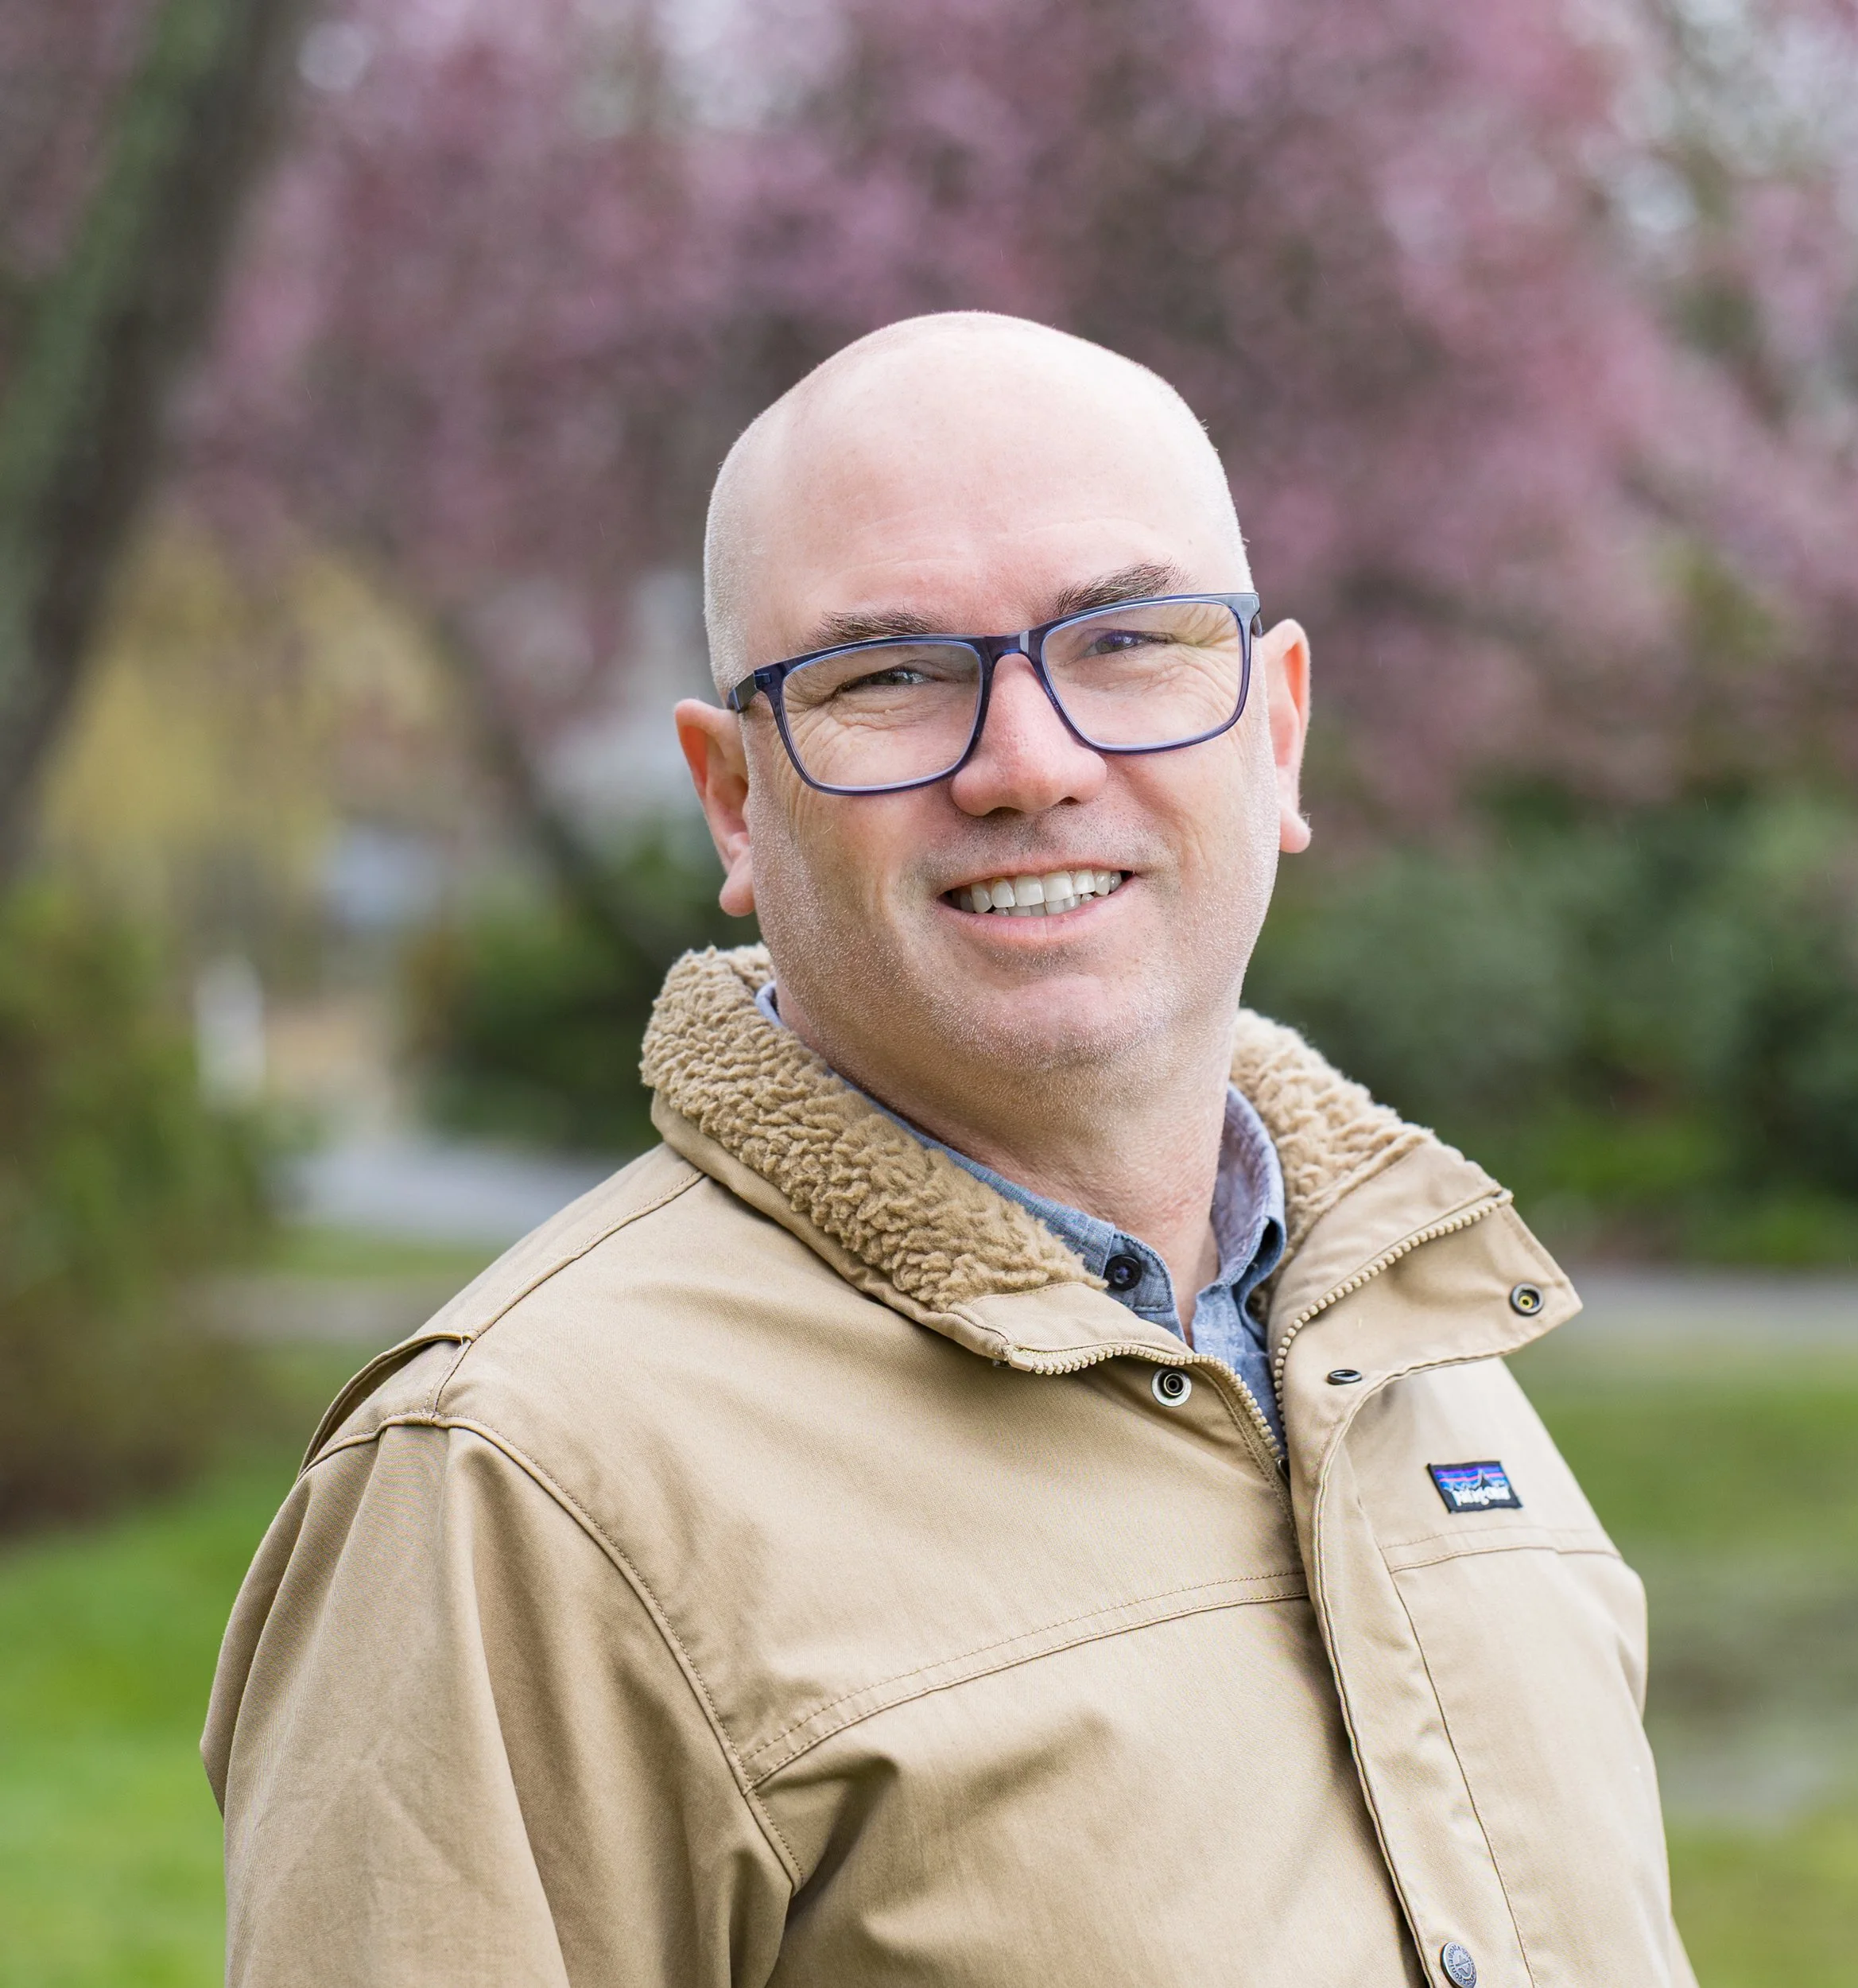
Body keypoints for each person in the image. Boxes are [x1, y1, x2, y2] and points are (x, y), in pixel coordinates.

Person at [205, 313, 1696, 1987]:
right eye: (890, 676)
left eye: (1126, 642)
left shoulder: (1407, 1342)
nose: (1030, 763)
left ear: (1273, 729)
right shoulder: (518, 1486)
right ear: (732, 801)